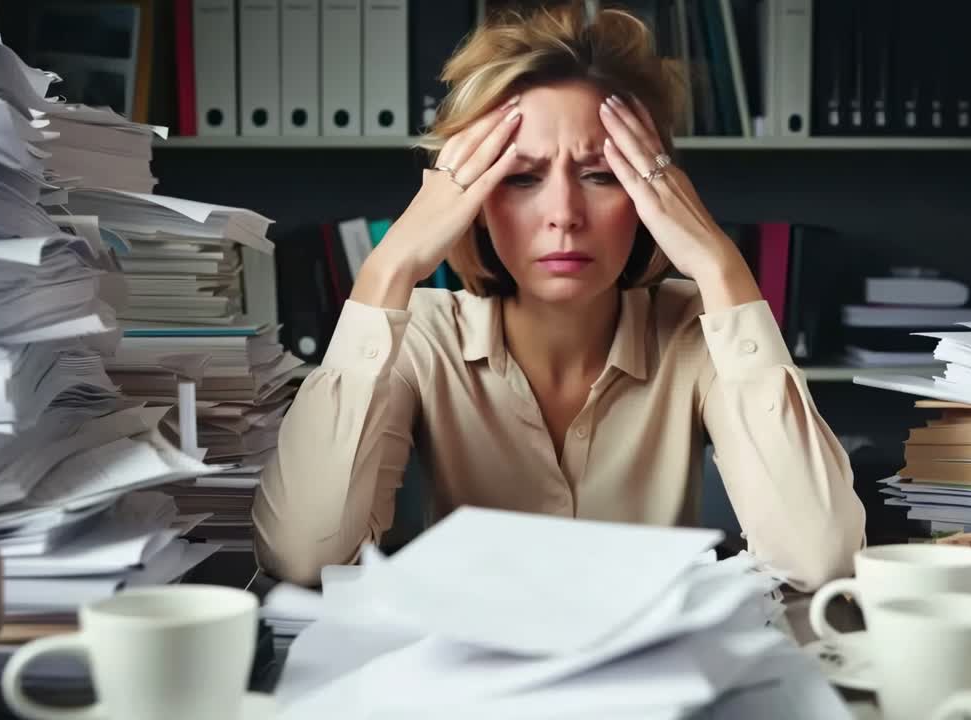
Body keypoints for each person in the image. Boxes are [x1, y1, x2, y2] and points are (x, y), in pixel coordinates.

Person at [252, 1, 865, 592]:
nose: (564, 216)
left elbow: (821, 560)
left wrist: (720, 266)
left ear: (654, 195)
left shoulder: (695, 331)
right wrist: (388, 269)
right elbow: (306, 555)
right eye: (521, 178)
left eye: (601, 176)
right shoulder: (423, 335)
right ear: (474, 203)